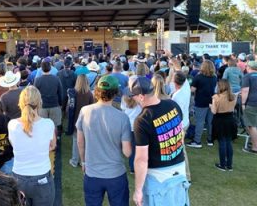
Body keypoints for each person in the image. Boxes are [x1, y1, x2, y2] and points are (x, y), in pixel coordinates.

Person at [130, 75, 189, 206]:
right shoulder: (173, 105)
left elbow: (141, 159)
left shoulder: (142, 120)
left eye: (133, 96)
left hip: (158, 177)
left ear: (141, 96)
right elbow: (181, 132)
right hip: (179, 170)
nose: (133, 99)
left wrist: (138, 190)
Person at [76, 74, 132, 206]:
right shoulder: (122, 118)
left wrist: (83, 162)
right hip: (116, 175)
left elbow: (80, 141)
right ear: (115, 93)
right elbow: (127, 152)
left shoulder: (85, 111)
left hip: (92, 174)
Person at [7, 86, 56, 206]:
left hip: (19, 179)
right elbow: (52, 146)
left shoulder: (12, 125)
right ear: (39, 102)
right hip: (42, 178)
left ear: (21, 103)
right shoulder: (48, 124)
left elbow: (14, 145)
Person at [188, 59, 218, 147]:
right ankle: (210, 140)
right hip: (211, 101)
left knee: (200, 122)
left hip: (201, 102)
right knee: (210, 122)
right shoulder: (214, 77)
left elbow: (192, 90)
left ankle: (197, 141)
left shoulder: (198, 77)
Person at [210, 78, 238, 171]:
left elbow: (214, 111)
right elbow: (233, 109)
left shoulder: (216, 97)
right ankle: (229, 165)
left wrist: (211, 106)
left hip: (220, 121)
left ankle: (222, 165)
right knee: (228, 142)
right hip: (230, 120)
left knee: (222, 142)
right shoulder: (233, 96)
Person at [69, 73, 94, 168]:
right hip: (86, 121)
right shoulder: (89, 94)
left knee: (76, 141)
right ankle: (82, 161)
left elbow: (69, 107)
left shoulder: (73, 93)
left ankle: (75, 160)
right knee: (85, 141)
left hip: (75, 119)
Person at [34, 60, 64, 135]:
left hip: (43, 106)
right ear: (50, 68)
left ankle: (49, 142)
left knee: (44, 126)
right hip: (53, 105)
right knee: (54, 126)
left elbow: (35, 94)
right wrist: (60, 104)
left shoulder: (38, 80)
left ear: (41, 68)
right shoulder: (56, 79)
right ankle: (54, 142)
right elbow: (60, 93)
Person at [242, 59, 257, 153]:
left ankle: (255, 147)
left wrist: (243, 103)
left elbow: (245, 91)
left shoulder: (248, 76)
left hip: (251, 103)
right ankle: (254, 142)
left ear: (249, 67)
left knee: (251, 125)